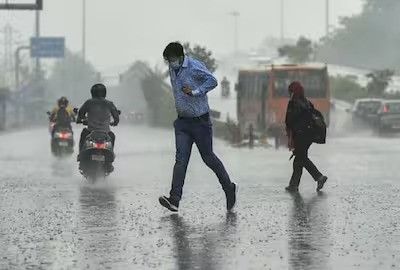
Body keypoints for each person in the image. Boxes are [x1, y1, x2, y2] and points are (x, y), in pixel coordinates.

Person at [158, 42, 237, 212]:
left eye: (172, 59)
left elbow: (213, 81)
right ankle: (175, 199)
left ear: (180, 57)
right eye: (168, 60)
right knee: (180, 161)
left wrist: (194, 91)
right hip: (182, 123)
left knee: (208, 158)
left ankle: (229, 188)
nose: (171, 63)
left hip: (200, 122)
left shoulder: (194, 66)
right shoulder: (172, 69)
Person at [285, 81, 328, 192]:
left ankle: (319, 177)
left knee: (302, 158)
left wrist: (290, 134)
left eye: (290, 91)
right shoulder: (307, 102)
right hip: (309, 135)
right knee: (299, 158)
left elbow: (289, 121)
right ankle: (293, 184)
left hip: (300, 135)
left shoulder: (293, 103)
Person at [76, 84, 119, 157]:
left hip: (90, 131)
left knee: (83, 134)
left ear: (92, 92)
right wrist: (115, 122)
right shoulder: (110, 104)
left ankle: (80, 155)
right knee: (112, 136)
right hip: (106, 133)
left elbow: (81, 113)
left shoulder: (89, 102)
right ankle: (111, 155)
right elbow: (116, 117)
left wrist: (80, 120)